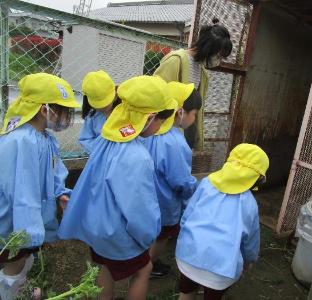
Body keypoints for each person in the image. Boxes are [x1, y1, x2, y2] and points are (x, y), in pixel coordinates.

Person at [58, 76, 177, 300]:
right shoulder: (137, 156)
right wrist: (148, 235)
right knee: (144, 270)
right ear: (150, 118)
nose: (161, 127)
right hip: (117, 233)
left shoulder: (106, 138)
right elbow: (139, 209)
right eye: (162, 121)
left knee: (105, 268)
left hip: (97, 228)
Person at [0, 73, 79, 300]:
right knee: (14, 260)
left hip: (28, 219)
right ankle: (10, 292)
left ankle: (18, 288)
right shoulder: (22, 141)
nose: (67, 117)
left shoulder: (42, 136)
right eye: (64, 110)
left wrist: (61, 193)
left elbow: (54, 171)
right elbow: (22, 193)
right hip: (15, 223)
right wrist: (29, 234)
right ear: (45, 109)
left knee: (25, 258)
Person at [175, 143, 269, 300]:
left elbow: (186, 216)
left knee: (186, 292)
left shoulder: (206, 183)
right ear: (257, 178)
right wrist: (250, 259)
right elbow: (251, 240)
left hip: (188, 256)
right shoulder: (249, 203)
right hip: (221, 271)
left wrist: (184, 239)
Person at [142, 82, 202, 277]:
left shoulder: (149, 128)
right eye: (194, 113)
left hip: (145, 198)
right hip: (165, 203)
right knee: (163, 235)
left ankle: (142, 259)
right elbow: (180, 180)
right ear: (180, 112)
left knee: (148, 232)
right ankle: (147, 267)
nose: (195, 118)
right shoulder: (174, 141)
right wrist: (194, 190)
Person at [154, 18, 232, 149]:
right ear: (208, 49)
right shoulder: (175, 60)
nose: (219, 60)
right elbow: (156, 98)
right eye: (218, 56)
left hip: (184, 130)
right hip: (165, 134)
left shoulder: (201, 71)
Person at [78, 70, 120, 154]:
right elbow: (85, 139)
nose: (102, 108)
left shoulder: (124, 113)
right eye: (98, 106)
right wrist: (100, 150)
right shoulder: (92, 116)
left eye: (105, 104)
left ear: (115, 96)